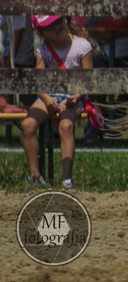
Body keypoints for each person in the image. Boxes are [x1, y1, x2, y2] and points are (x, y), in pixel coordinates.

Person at [23, 15, 94, 187]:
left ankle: (66, 179)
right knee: (27, 125)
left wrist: (76, 97)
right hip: (49, 96)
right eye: (50, 26)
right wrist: (47, 99)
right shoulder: (43, 50)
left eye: (58, 21)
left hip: (75, 96)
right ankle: (35, 177)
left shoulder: (82, 45)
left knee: (66, 126)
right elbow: (38, 83)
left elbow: (89, 80)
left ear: (65, 20)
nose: (57, 27)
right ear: (43, 33)